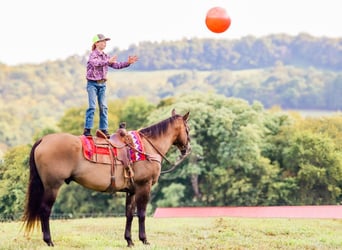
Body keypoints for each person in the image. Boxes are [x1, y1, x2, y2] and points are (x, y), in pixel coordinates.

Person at [83, 34, 138, 138]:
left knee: (104, 107)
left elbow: (116, 65)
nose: (104, 43)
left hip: (102, 84)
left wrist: (127, 63)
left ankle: (103, 129)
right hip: (92, 84)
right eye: (102, 41)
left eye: (105, 42)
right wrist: (108, 61)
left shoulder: (105, 56)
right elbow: (95, 63)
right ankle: (87, 129)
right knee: (92, 106)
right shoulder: (93, 55)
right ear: (96, 43)